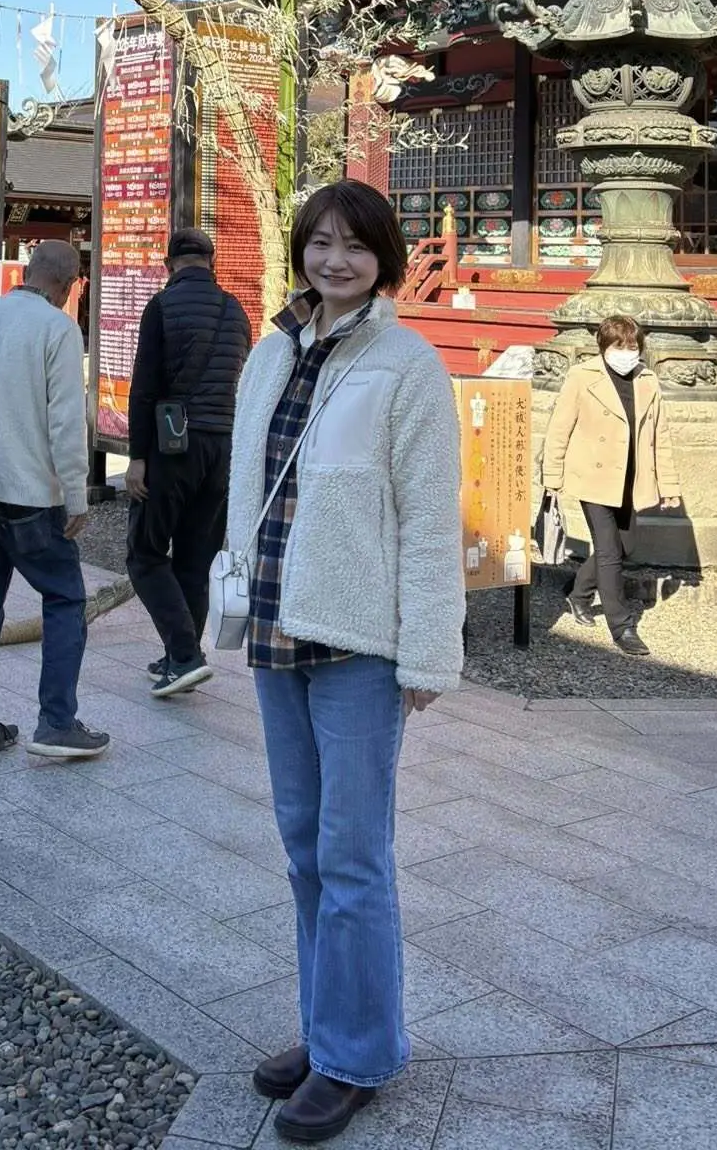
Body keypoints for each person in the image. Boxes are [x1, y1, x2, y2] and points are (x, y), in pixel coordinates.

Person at [226, 180, 463, 1144]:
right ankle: (329, 1028)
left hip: (360, 639)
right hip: (277, 627)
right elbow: (249, 483)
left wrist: (426, 649)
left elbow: (427, 519)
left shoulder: (407, 365)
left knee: (354, 854)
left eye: (355, 246)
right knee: (301, 846)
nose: (335, 260)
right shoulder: (271, 351)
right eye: (320, 243)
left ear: (384, 257)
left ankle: (358, 1054)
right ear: (301, 251)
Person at [0, 239, 109, 764]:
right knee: (64, 600)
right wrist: (76, 495)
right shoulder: (58, 329)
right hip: (34, 497)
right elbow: (64, 424)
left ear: (28, 271)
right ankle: (56, 722)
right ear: (71, 283)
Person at [125, 228, 252, 698]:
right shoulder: (236, 310)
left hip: (172, 445)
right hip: (223, 446)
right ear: (212, 261)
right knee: (196, 560)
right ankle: (181, 656)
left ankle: (184, 654)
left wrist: (137, 457)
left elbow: (145, 387)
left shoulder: (161, 307)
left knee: (145, 554)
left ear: (168, 264)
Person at [541, 314, 681, 657]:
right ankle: (621, 626)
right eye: (619, 346)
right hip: (594, 475)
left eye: (632, 346)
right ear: (604, 347)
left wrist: (669, 484)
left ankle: (578, 595)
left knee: (624, 548)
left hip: (633, 477)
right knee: (607, 550)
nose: (626, 352)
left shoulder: (647, 380)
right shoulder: (582, 377)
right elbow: (560, 428)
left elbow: (660, 436)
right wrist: (552, 477)